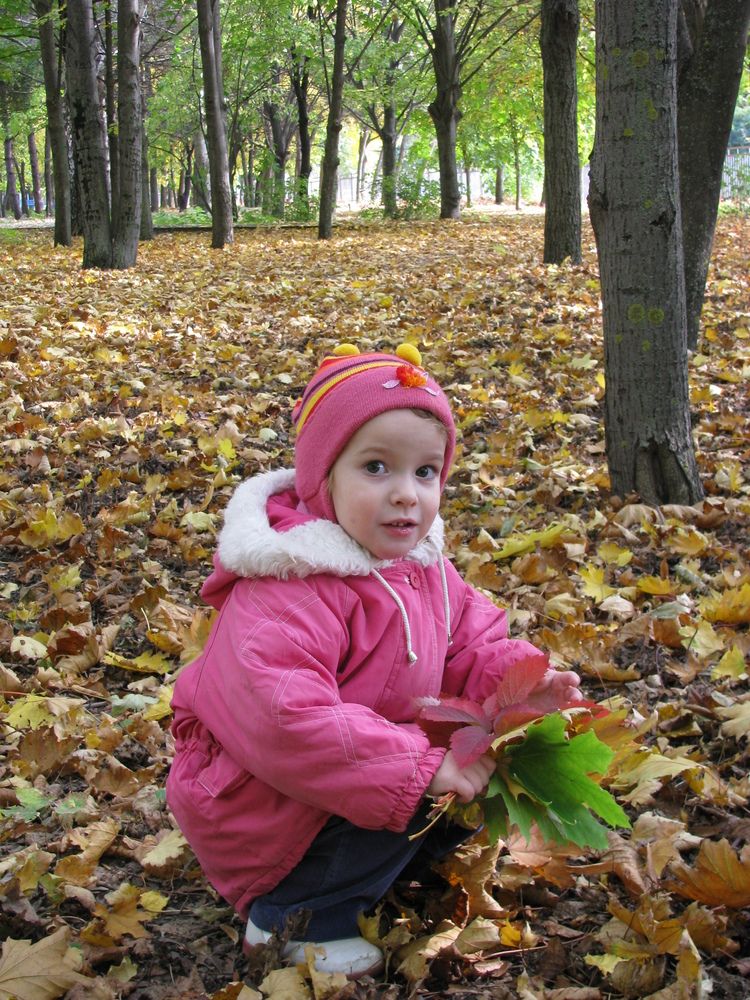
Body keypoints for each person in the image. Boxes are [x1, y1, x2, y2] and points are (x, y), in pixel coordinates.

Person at [166, 344, 581, 977]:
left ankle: (381, 864)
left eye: (425, 473)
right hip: (265, 808)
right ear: (321, 477)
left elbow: (473, 641)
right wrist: (418, 766)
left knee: (466, 773)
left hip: (354, 771)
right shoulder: (289, 588)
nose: (405, 496)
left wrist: (526, 686)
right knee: (418, 786)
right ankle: (291, 918)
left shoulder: (419, 567)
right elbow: (285, 719)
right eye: (376, 467)